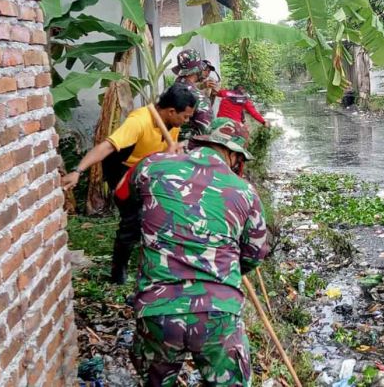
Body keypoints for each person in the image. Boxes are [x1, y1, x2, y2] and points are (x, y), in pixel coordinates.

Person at [115, 118, 269, 387]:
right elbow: (254, 254)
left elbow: (122, 193)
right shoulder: (245, 191)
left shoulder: (153, 166)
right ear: (232, 154)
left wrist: (142, 221)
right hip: (218, 312)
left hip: (157, 311)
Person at [61, 83, 196, 284]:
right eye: (185, 117)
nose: (186, 121)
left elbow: (165, 151)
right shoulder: (138, 122)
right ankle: (118, 272)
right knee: (133, 218)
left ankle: (156, 259)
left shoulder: (171, 124)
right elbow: (106, 147)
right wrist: (77, 171)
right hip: (124, 171)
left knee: (162, 210)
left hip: (148, 167)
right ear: (170, 111)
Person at [172, 48, 214, 137]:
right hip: (189, 148)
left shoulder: (168, 92)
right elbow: (206, 134)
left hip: (166, 147)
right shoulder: (200, 99)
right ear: (198, 70)